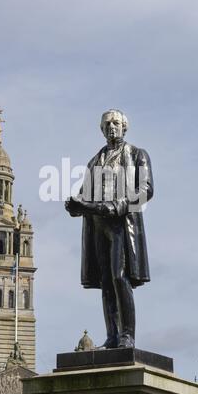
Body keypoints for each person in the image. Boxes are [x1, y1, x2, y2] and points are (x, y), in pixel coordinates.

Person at [65, 109, 153, 348]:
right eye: (107, 124)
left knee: (118, 276)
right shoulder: (94, 161)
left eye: (116, 123)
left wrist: (117, 206)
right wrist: (74, 206)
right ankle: (112, 335)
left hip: (121, 224)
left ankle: (127, 335)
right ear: (102, 130)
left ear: (124, 127)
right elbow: (85, 196)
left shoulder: (137, 155)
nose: (111, 127)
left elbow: (145, 191)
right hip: (97, 226)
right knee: (106, 281)